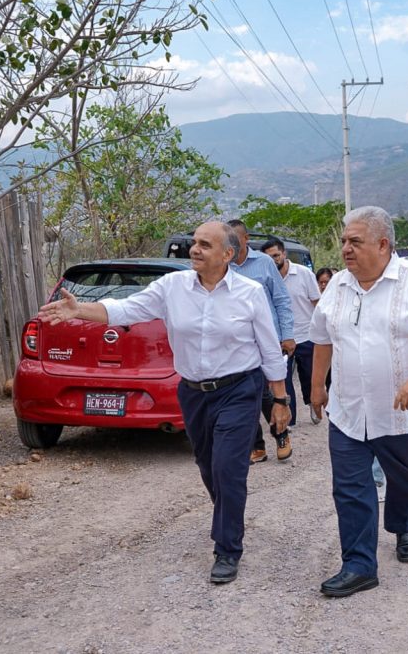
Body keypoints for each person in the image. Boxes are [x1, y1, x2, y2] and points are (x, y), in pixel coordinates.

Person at [37, 221, 291, 584]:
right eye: (194, 242)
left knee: (228, 468)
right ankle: (229, 513)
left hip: (238, 389)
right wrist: (79, 310)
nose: (195, 249)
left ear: (227, 254)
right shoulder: (172, 286)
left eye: (205, 245)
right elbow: (126, 309)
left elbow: (268, 347)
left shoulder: (249, 293)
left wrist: (279, 398)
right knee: (208, 466)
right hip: (193, 392)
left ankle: (227, 548)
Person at [310, 206, 408, 598]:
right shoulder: (338, 284)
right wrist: (317, 386)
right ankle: (359, 566)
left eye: (355, 241)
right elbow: (322, 337)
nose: (345, 248)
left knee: (406, 480)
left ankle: (404, 525)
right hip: (348, 411)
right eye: (344, 241)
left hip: (400, 414)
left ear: (382, 244)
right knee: (349, 488)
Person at [225, 219, 295, 464]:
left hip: (267, 338)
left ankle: (281, 434)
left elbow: (281, 299)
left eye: (235, 239)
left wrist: (287, 334)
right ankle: (256, 446)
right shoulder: (222, 266)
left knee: (266, 391)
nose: (231, 245)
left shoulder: (264, 263)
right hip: (237, 341)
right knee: (244, 392)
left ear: (245, 239)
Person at [261, 237, 321, 426]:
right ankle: (290, 419)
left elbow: (317, 303)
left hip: (306, 335)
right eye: (269, 258)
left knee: (308, 376)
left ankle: (312, 403)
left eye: (276, 255)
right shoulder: (265, 277)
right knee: (283, 380)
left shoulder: (303, 274)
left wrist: (322, 332)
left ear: (284, 254)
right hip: (279, 338)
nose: (274, 260)